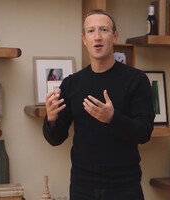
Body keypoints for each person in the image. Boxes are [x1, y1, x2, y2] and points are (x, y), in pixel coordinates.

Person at [43, 9, 155, 200]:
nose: (97, 37)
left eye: (104, 30)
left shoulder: (136, 80)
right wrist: (51, 119)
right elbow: (56, 139)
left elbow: (144, 132)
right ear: (84, 38)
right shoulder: (72, 83)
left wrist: (112, 118)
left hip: (124, 186)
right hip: (82, 187)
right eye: (91, 31)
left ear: (115, 36)